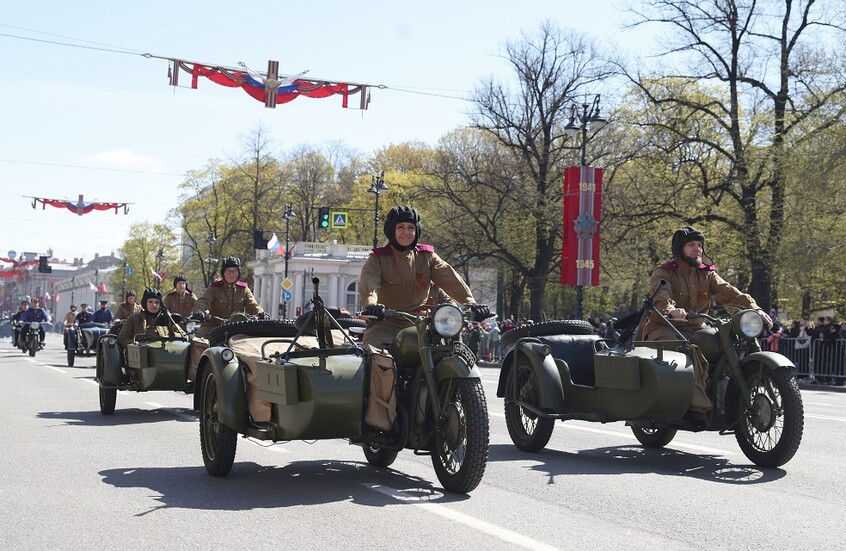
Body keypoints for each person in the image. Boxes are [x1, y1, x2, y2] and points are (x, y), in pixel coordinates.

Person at [642, 226, 772, 424]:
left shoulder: (707, 273)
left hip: (696, 327)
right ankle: (697, 407)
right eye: (691, 245)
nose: (697, 249)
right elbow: (661, 294)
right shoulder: (665, 271)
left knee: (727, 341)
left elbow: (729, 291)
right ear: (680, 249)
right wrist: (671, 309)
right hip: (664, 327)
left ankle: (729, 397)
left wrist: (754, 308)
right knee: (688, 350)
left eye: (700, 245)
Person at [357, 205, 489, 349]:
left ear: (417, 231)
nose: (406, 232)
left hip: (423, 325)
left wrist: (471, 303)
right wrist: (371, 305)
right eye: (400, 227)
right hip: (385, 325)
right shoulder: (378, 258)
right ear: (391, 230)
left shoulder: (427, 256)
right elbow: (369, 282)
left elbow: (449, 277)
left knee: (454, 351)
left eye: (411, 228)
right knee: (376, 354)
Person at [192, 257, 264, 339]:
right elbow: (204, 301)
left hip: (237, 327)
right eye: (228, 271)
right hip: (213, 326)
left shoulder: (243, 289)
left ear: (238, 273)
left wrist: (261, 313)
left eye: (234, 271)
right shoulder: (214, 288)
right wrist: (199, 311)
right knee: (199, 339)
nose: (231, 274)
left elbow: (252, 305)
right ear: (223, 273)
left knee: (254, 341)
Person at [118, 288, 185, 349]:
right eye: (150, 302)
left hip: (165, 354)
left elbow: (184, 336)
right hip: (142, 355)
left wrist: (172, 336)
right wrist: (137, 345)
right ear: (145, 303)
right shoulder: (134, 319)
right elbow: (122, 338)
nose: (154, 305)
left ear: (160, 305)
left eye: (157, 302)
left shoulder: (167, 319)